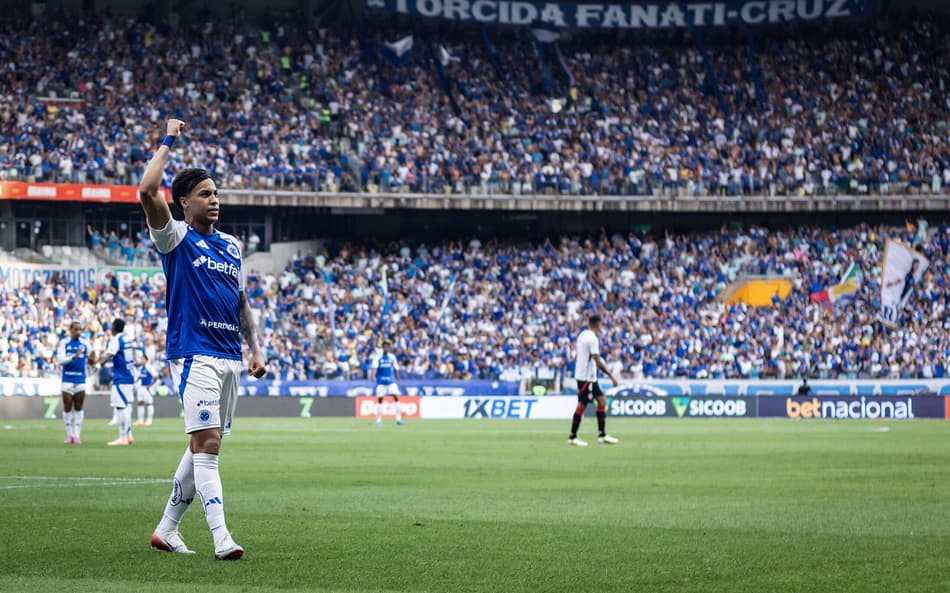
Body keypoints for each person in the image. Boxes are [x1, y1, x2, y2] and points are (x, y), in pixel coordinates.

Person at [139, 119, 266, 560]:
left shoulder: (231, 246)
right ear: (184, 202)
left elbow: (241, 302)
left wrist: (256, 349)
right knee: (208, 445)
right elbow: (146, 189)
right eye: (206, 194)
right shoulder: (175, 237)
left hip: (231, 356)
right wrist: (169, 138)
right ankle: (221, 537)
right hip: (194, 353)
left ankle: (166, 530)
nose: (215, 201)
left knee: (202, 445)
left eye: (216, 194)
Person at [568, 315, 620, 447]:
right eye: (601, 325)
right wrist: (611, 376)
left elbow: (578, 356)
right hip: (586, 378)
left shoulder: (582, 335)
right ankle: (572, 437)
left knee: (602, 401)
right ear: (597, 324)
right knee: (582, 404)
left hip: (588, 376)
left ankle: (602, 434)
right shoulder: (592, 338)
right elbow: (597, 360)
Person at [55, 321, 96, 444]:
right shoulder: (64, 343)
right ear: (70, 330)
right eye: (76, 329)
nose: (78, 332)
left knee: (78, 407)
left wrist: (91, 360)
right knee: (67, 407)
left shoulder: (85, 343)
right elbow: (60, 360)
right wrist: (73, 357)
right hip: (67, 379)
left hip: (80, 379)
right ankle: (69, 435)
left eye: (80, 330)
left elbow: (92, 357)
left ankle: (77, 435)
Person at [100, 319, 136, 446]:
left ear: (114, 327)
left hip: (121, 377)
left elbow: (109, 354)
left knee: (121, 406)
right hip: (129, 376)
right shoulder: (127, 338)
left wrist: (99, 364)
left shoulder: (116, 339)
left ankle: (123, 437)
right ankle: (129, 435)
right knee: (126, 405)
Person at [370, 339, 403, 426]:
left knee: (396, 397)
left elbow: (395, 368)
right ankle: (378, 420)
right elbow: (374, 367)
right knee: (380, 399)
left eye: (387, 346)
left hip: (391, 381)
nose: (386, 348)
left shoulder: (392, 357)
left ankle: (399, 419)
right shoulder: (378, 357)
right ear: (382, 347)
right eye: (384, 346)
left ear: (389, 347)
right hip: (381, 381)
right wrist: (373, 375)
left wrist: (398, 378)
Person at [133, 348, 156, 427]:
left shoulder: (149, 367)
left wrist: (150, 385)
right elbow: (140, 376)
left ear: (146, 360)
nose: (141, 360)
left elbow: (156, 376)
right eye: (141, 359)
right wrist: (136, 381)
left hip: (147, 387)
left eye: (142, 359)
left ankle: (149, 420)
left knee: (149, 403)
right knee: (140, 403)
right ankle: (140, 420)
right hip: (141, 387)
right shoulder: (141, 368)